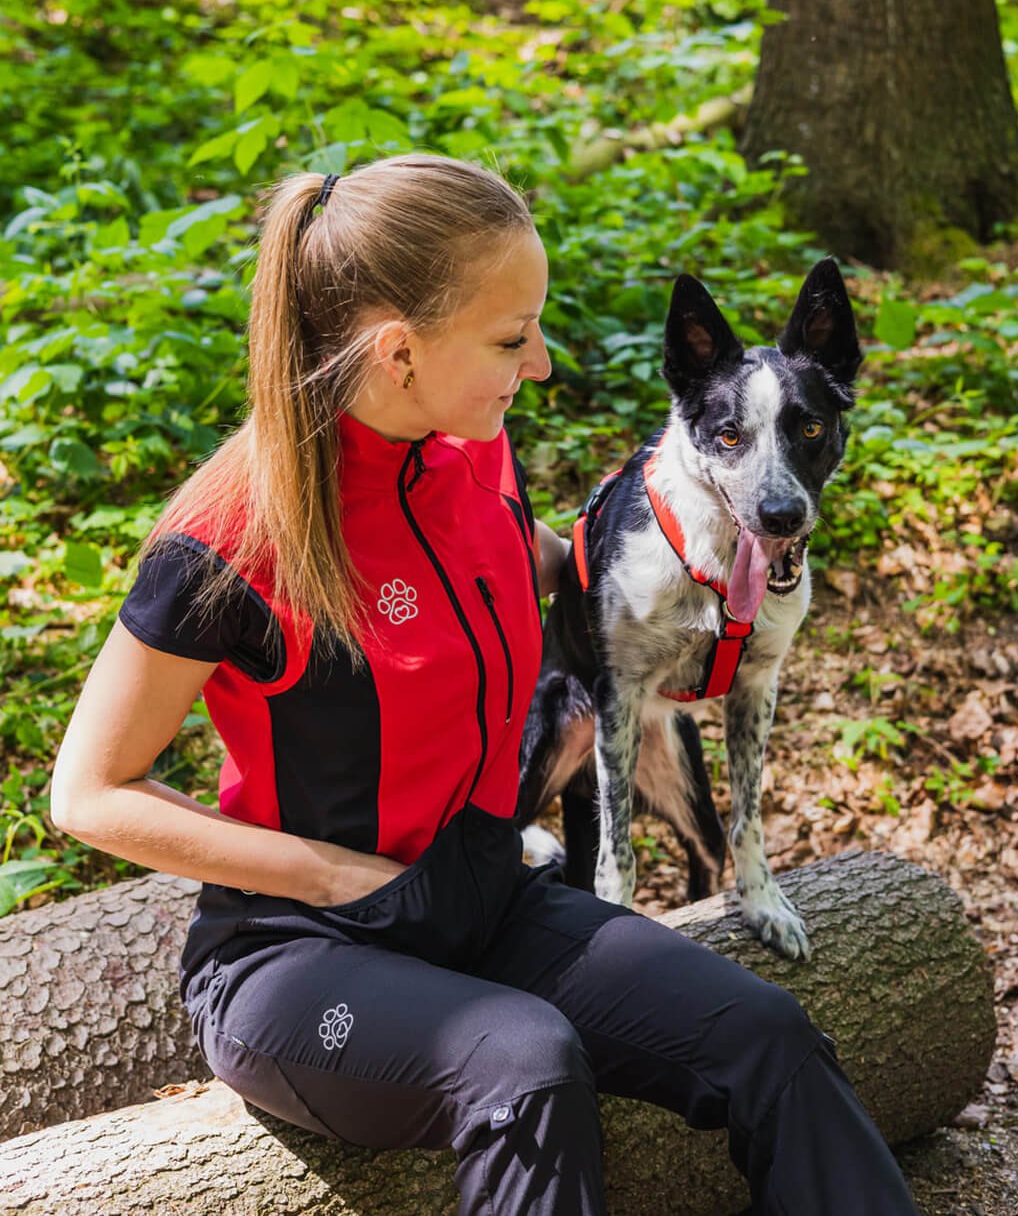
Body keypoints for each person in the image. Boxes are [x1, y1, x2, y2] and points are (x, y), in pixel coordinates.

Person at [51, 153, 919, 1215]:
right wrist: (334, 877)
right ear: (398, 352)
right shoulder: (229, 538)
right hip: (299, 954)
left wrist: (684, 572)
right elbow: (89, 792)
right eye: (513, 338)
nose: (542, 363)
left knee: (765, 1036)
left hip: (484, 896)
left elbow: (543, 567)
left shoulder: (476, 457)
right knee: (522, 1058)